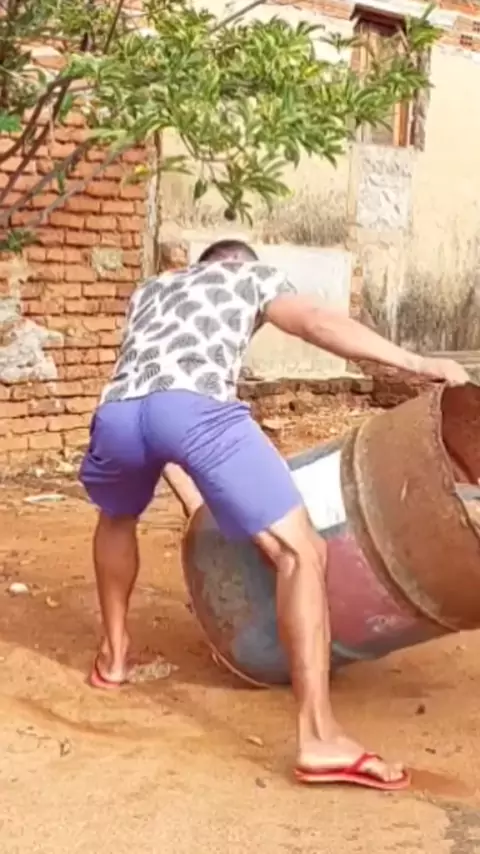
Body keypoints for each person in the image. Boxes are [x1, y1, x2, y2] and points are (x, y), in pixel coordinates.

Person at [80, 239, 469, 791]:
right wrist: (417, 363)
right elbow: (312, 321)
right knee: (302, 552)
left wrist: (204, 501)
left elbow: (158, 421)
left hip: (118, 414)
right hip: (197, 409)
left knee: (117, 518)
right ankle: (319, 738)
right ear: (241, 263)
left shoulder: (153, 290)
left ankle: (114, 657)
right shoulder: (248, 277)